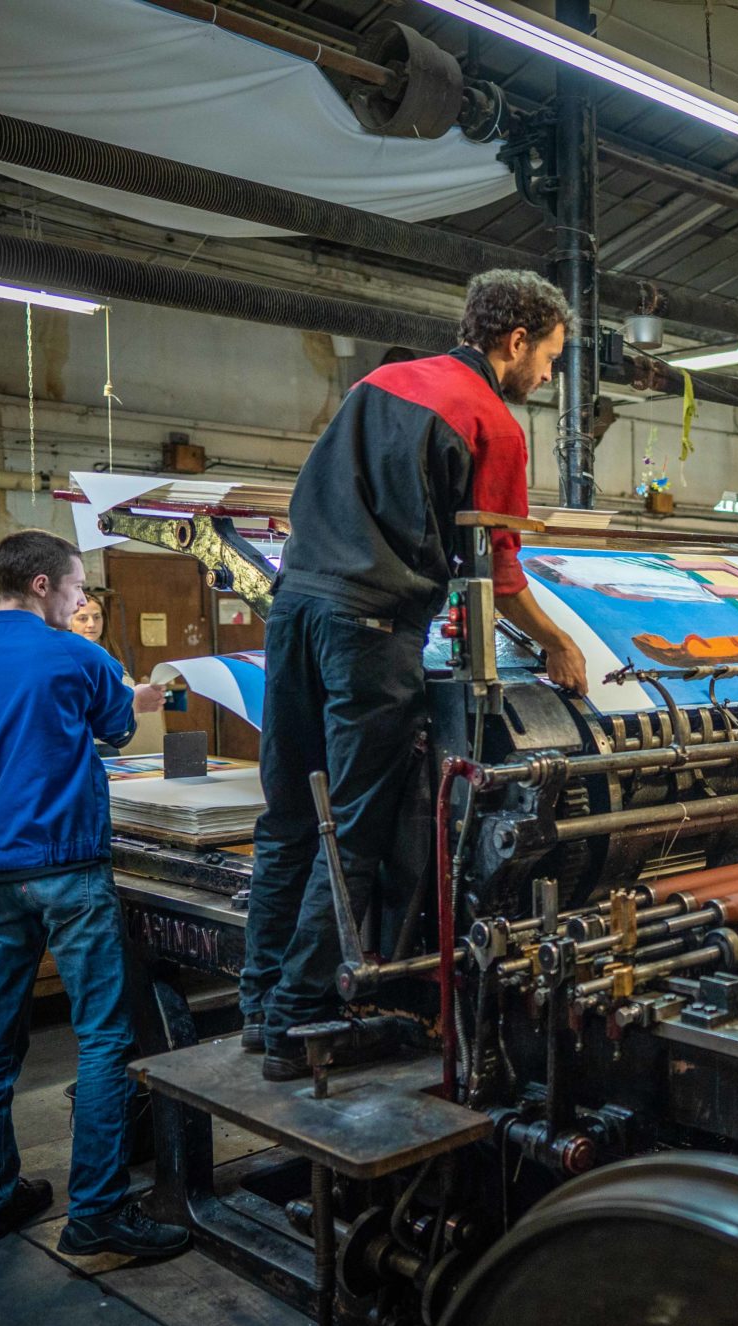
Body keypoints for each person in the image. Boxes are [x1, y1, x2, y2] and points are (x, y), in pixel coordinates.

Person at [245, 269, 591, 1081]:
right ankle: (298, 1020)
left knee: (289, 815)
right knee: (353, 828)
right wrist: (557, 643)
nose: (549, 375)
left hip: (293, 612)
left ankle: (260, 1006)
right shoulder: (491, 422)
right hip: (369, 631)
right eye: (549, 357)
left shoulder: (377, 385)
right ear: (516, 341)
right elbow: (497, 573)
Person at [0, 531, 190, 1258]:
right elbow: (117, 731)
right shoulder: (79, 657)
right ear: (42, 585)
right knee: (103, 1036)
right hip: (70, 871)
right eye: (77, 586)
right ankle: (96, 1211)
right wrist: (136, 698)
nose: (81, 599)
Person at [65, 594, 161, 756]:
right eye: (82, 618)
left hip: (111, 742)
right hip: (81, 744)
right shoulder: (66, 657)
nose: (91, 624)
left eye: (97, 617)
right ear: (69, 621)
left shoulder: (111, 656)